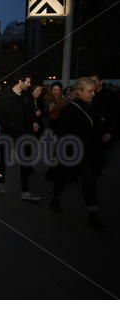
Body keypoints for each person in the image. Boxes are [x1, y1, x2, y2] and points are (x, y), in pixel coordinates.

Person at [49, 77, 103, 227]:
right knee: (62, 177)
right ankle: (56, 198)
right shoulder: (70, 109)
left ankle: (93, 214)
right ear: (79, 92)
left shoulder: (92, 106)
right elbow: (62, 133)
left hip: (87, 153)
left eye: (94, 91)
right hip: (71, 152)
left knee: (89, 181)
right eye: (90, 91)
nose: (93, 94)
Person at [0, 73, 41, 201]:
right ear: (20, 81)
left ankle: (25, 191)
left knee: (25, 162)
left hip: (23, 134)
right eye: (27, 82)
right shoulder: (5, 96)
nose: (29, 85)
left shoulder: (26, 96)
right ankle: (1, 182)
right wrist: (10, 124)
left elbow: (29, 113)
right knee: (3, 159)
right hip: (7, 134)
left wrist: (33, 122)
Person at [88, 72, 119, 169]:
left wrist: (109, 132)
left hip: (104, 133)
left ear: (101, 81)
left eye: (94, 81)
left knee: (104, 160)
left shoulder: (111, 96)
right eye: (90, 81)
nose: (91, 83)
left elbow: (115, 116)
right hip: (90, 134)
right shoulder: (86, 94)